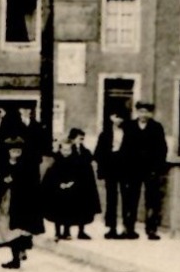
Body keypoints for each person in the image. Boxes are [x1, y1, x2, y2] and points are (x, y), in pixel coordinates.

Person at [0, 137, 44, 269]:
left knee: (18, 230)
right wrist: (3, 181)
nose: (16, 154)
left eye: (18, 151)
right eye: (13, 151)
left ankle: (17, 257)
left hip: (20, 204)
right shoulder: (2, 164)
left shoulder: (26, 165)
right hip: (5, 203)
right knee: (8, 229)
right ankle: (16, 255)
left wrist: (14, 180)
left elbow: (30, 183)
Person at [119, 100, 168, 240]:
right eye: (141, 111)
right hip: (131, 170)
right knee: (130, 200)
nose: (143, 114)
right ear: (137, 112)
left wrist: (157, 168)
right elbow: (124, 148)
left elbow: (162, 149)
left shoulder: (156, 127)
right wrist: (125, 167)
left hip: (150, 170)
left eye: (146, 112)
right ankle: (128, 229)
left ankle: (151, 230)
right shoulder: (129, 126)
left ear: (151, 113)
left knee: (152, 200)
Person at [42, 127, 100, 240]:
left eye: (83, 139)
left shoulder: (85, 152)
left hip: (81, 185)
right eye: (79, 138)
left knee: (81, 208)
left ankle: (79, 231)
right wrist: (60, 184)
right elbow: (53, 173)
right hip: (63, 187)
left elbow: (83, 169)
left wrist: (73, 182)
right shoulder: (60, 157)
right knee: (62, 210)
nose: (81, 141)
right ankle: (59, 232)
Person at [94, 108, 129, 238]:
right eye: (116, 117)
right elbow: (98, 153)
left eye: (121, 117)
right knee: (111, 199)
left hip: (125, 169)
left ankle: (127, 227)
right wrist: (102, 169)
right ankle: (111, 227)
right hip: (111, 168)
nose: (118, 120)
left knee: (127, 198)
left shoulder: (129, 133)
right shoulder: (105, 134)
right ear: (111, 118)